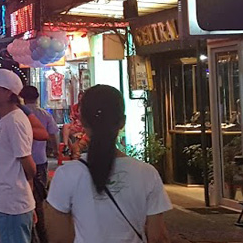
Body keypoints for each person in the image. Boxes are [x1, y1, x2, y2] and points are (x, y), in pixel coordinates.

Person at [45, 85, 172, 243]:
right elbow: (158, 236)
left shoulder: (66, 174)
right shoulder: (147, 173)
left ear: (83, 121)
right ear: (122, 122)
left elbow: (59, 238)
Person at [0, 69, 36, 243]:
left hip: (14, 203)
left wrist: (26, 197)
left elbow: (29, 165)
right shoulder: (8, 119)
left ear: (8, 93)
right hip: (9, 202)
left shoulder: (15, 121)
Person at [20, 85, 59, 243]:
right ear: (37, 97)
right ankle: (41, 233)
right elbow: (53, 135)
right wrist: (57, 151)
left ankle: (29, 233)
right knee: (39, 197)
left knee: (24, 197)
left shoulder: (18, 114)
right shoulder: (44, 114)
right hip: (40, 161)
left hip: (22, 161)